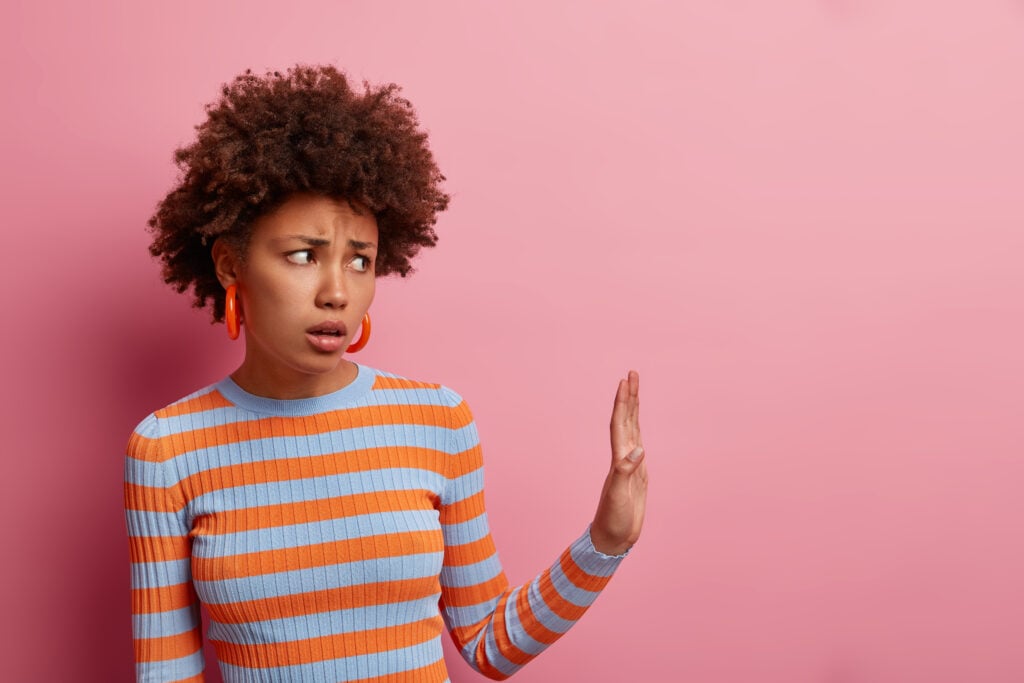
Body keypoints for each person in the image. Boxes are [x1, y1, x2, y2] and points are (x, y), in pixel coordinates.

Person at [125, 64, 647, 683]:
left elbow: (490, 645)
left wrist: (605, 540)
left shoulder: (436, 421)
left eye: (360, 261)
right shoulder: (166, 451)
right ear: (230, 262)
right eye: (302, 255)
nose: (336, 292)